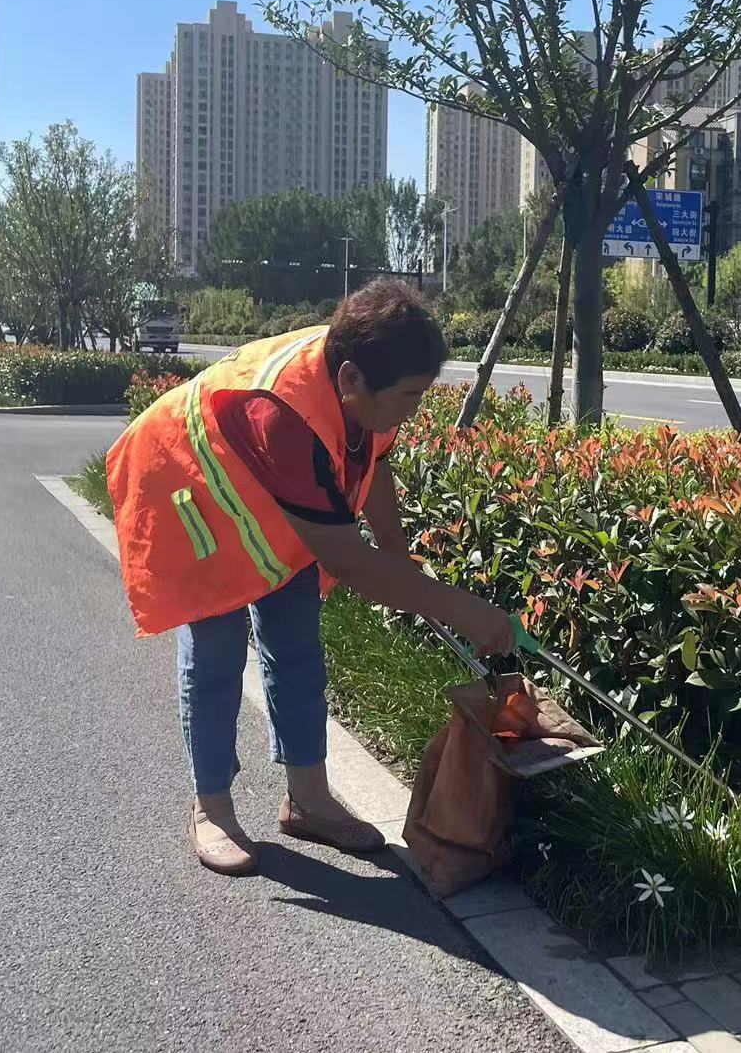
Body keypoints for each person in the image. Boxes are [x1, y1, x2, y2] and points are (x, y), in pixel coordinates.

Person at [106, 279, 517, 877]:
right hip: (188, 493)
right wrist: (461, 609)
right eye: (408, 396)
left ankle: (308, 797)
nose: (414, 409)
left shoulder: (369, 381)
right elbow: (348, 560)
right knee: (216, 649)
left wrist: (401, 560)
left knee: (295, 644)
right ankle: (213, 807)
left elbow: (373, 463)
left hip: (269, 504)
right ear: (351, 379)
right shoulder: (282, 413)